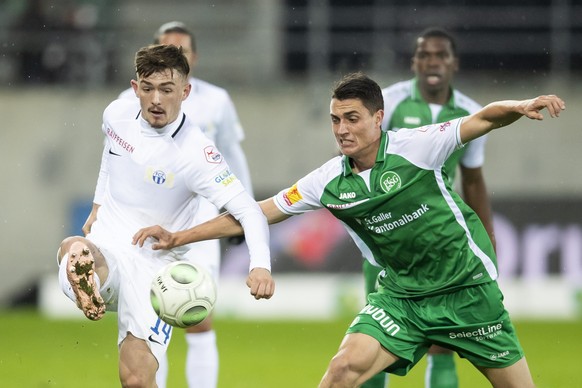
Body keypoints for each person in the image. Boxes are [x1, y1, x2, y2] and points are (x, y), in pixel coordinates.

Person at [133, 72, 565, 387]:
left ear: (379, 118)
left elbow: (482, 120)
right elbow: (255, 211)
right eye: (335, 119)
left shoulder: (417, 146)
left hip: (467, 292)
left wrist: (521, 107)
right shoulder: (328, 181)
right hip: (403, 299)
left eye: (353, 118)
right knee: (340, 372)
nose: (342, 129)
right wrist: (179, 236)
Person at [57, 44, 274, 388]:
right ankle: (86, 277)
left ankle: (85, 274)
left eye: (167, 90)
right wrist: (99, 202)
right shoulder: (115, 115)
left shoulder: (197, 153)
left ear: (185, 92)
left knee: (136, 381)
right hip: (109, 247)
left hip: (154, 270)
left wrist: (260, 263)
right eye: (148, 88)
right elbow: (109, 153)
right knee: (75, 249)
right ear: (134, 88)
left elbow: (248, 209)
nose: (156, 99)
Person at [115, 21, 254, 388]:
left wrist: (242, 210)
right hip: (150, 219)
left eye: (183, 50)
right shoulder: (130, 103)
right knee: (152, 312)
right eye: (167, 48)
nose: (176, 54)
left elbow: (233, 156)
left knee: (195, 313)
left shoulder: (216, 100)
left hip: (202, 217)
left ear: (193, 58)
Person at [361, 27, 495, 388]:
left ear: (454, 63)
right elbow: (353, 156)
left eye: (440, 55)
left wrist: (488, 243)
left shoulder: (469, 112)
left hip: (438, 238)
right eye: (425, 55)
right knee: (375, 339)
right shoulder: (388, 103)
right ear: (414, 62)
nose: (432, 62)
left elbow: (473, 181)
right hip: (389, 236)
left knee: (442, 341)